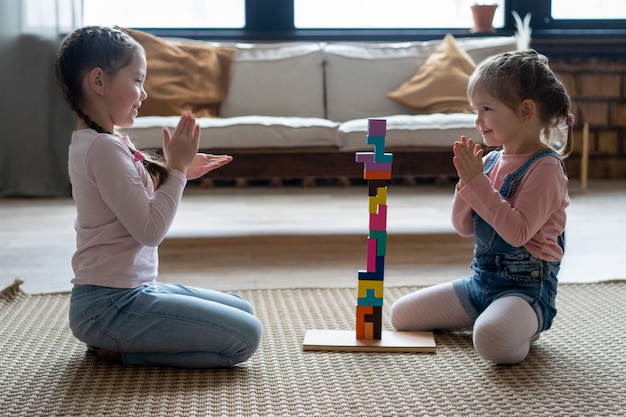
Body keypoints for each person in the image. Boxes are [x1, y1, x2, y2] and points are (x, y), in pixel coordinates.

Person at [55, 26, 262, 368]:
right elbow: (150, 230)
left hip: (129, 293)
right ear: (98, 81)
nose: (144, 93)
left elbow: (132, 196)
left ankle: (117, 344)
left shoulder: (108, 140)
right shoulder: (102, 149)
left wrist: (176, 170)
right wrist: (177, 171)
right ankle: (122, 350)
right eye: (137, 80)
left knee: (242, 307)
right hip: (109, 306)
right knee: (245, 338)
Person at [390, 50, 574, 365]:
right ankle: (493, 317)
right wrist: (467, 181)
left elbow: (517, 233)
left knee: (492, 341)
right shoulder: (488, 161)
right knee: (401, 315)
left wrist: (477, 183)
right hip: (481, 283)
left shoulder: (545, 167)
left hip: (526, 290)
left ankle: (523, 326)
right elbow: (462, 226)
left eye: (486, 108)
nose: (478, 120)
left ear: (525, 111)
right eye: (475, 110)